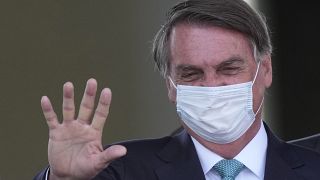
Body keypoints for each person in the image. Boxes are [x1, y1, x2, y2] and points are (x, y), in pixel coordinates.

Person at [34, 0, 320, 179]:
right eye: (191, 73)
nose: (211, 86)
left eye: (229, 68)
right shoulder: (120, 171)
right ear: (170, 87)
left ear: (265, 69)